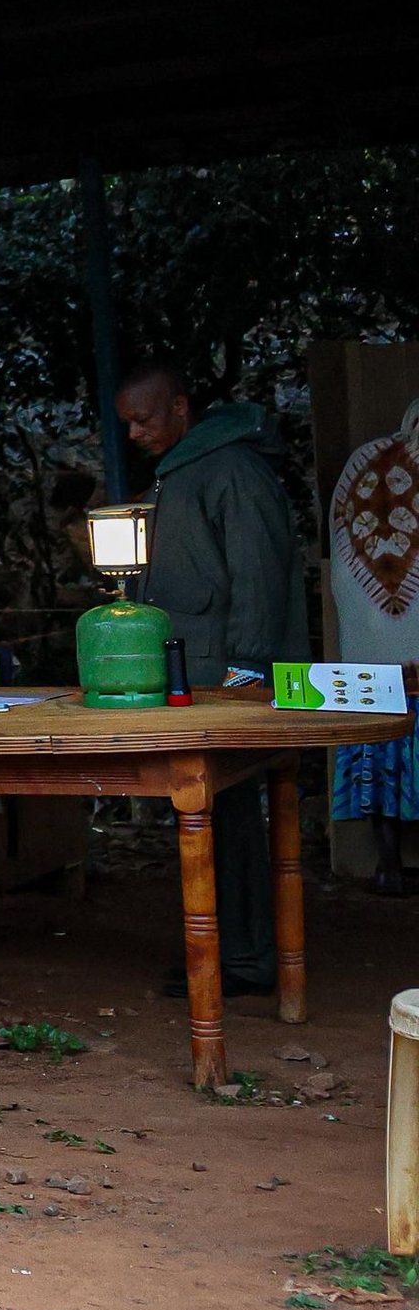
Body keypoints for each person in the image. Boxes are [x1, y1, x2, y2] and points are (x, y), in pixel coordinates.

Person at [118, 354, 310, 996]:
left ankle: (249, 959)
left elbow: (260, 572)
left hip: (225, 674)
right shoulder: (186, 470)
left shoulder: (232, 469)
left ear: (179, 408)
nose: (134, 434)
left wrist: (247, 666)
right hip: (195, 668)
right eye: (127, 423)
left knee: (230, 818)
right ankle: (231, 952)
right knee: (212, 816)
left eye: (143, 419)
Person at [326, 394, 419, 892]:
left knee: (378, 756)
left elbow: (340, 548)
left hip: (369, 657)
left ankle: (388, 866)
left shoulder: (364, 461)